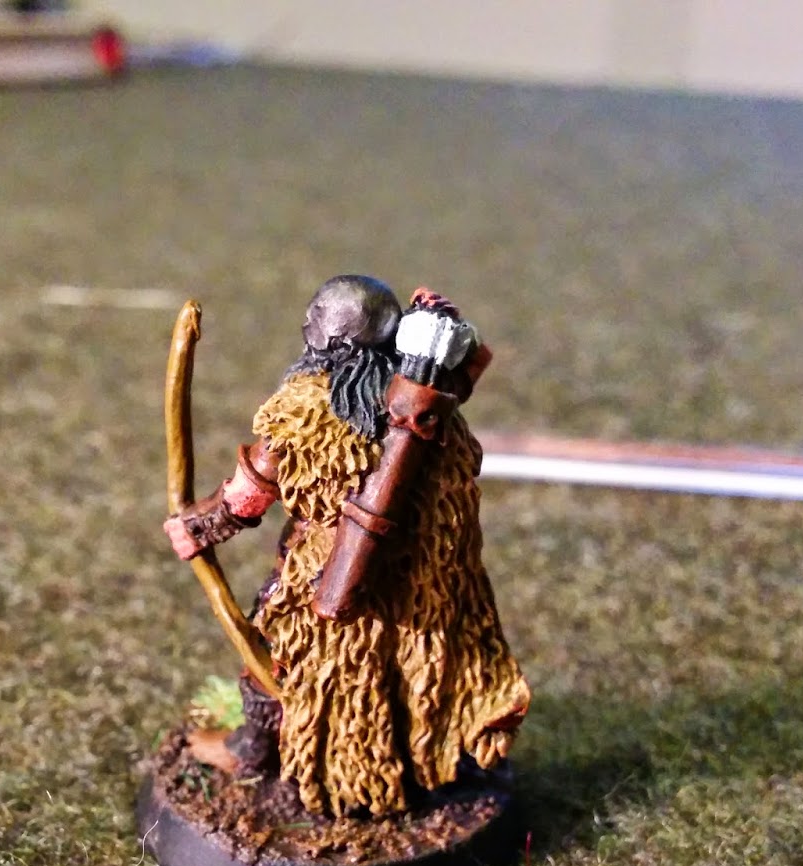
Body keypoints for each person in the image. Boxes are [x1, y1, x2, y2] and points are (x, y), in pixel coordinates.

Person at [163, 275, 529, 819]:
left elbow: (248, 494)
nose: (304, 322)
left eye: (314, 315)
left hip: (332, 574)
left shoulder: (307, 411)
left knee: (280, 655)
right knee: (403, 675)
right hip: (422, 586)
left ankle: (271, 763)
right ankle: (400, 768)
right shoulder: (426, 407)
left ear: (335, 342)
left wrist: (198, 525)